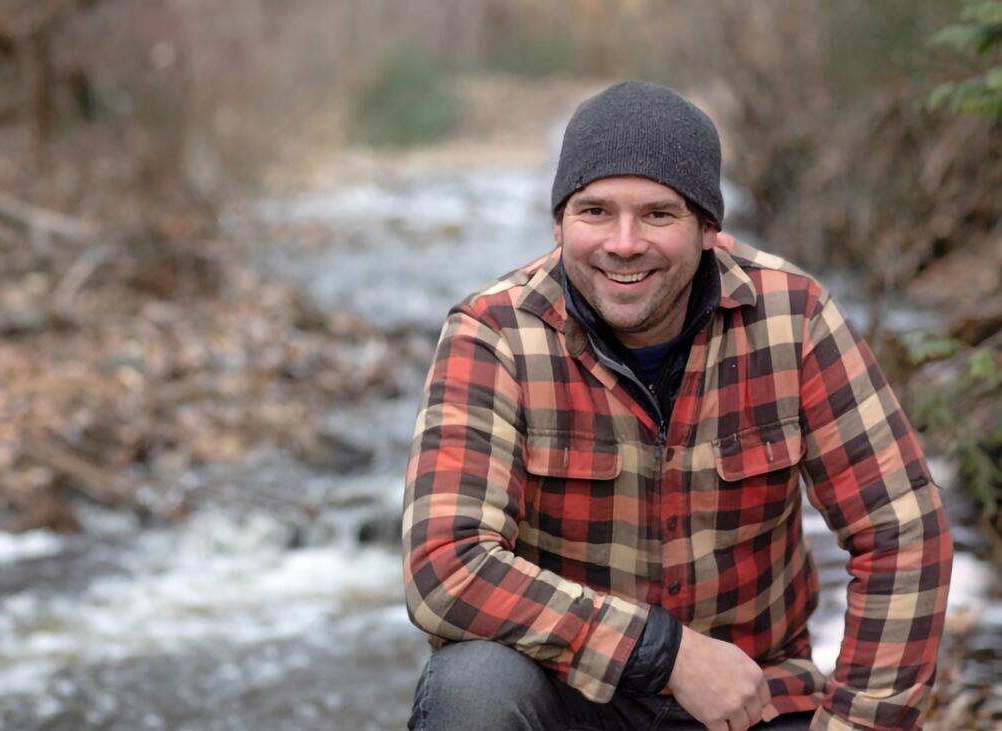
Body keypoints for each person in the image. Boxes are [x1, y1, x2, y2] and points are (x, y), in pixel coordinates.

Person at [401, 81, 952, 731]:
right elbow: (446, 563)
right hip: (571, 695)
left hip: (751, 700)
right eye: (595, 211)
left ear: (708, 227)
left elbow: (900, 531)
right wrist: (666, 653)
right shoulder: (493, 333)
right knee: (472, 684)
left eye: (658, 214)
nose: (624, 242)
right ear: (559, 222)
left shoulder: (794, 317)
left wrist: (858, 722)